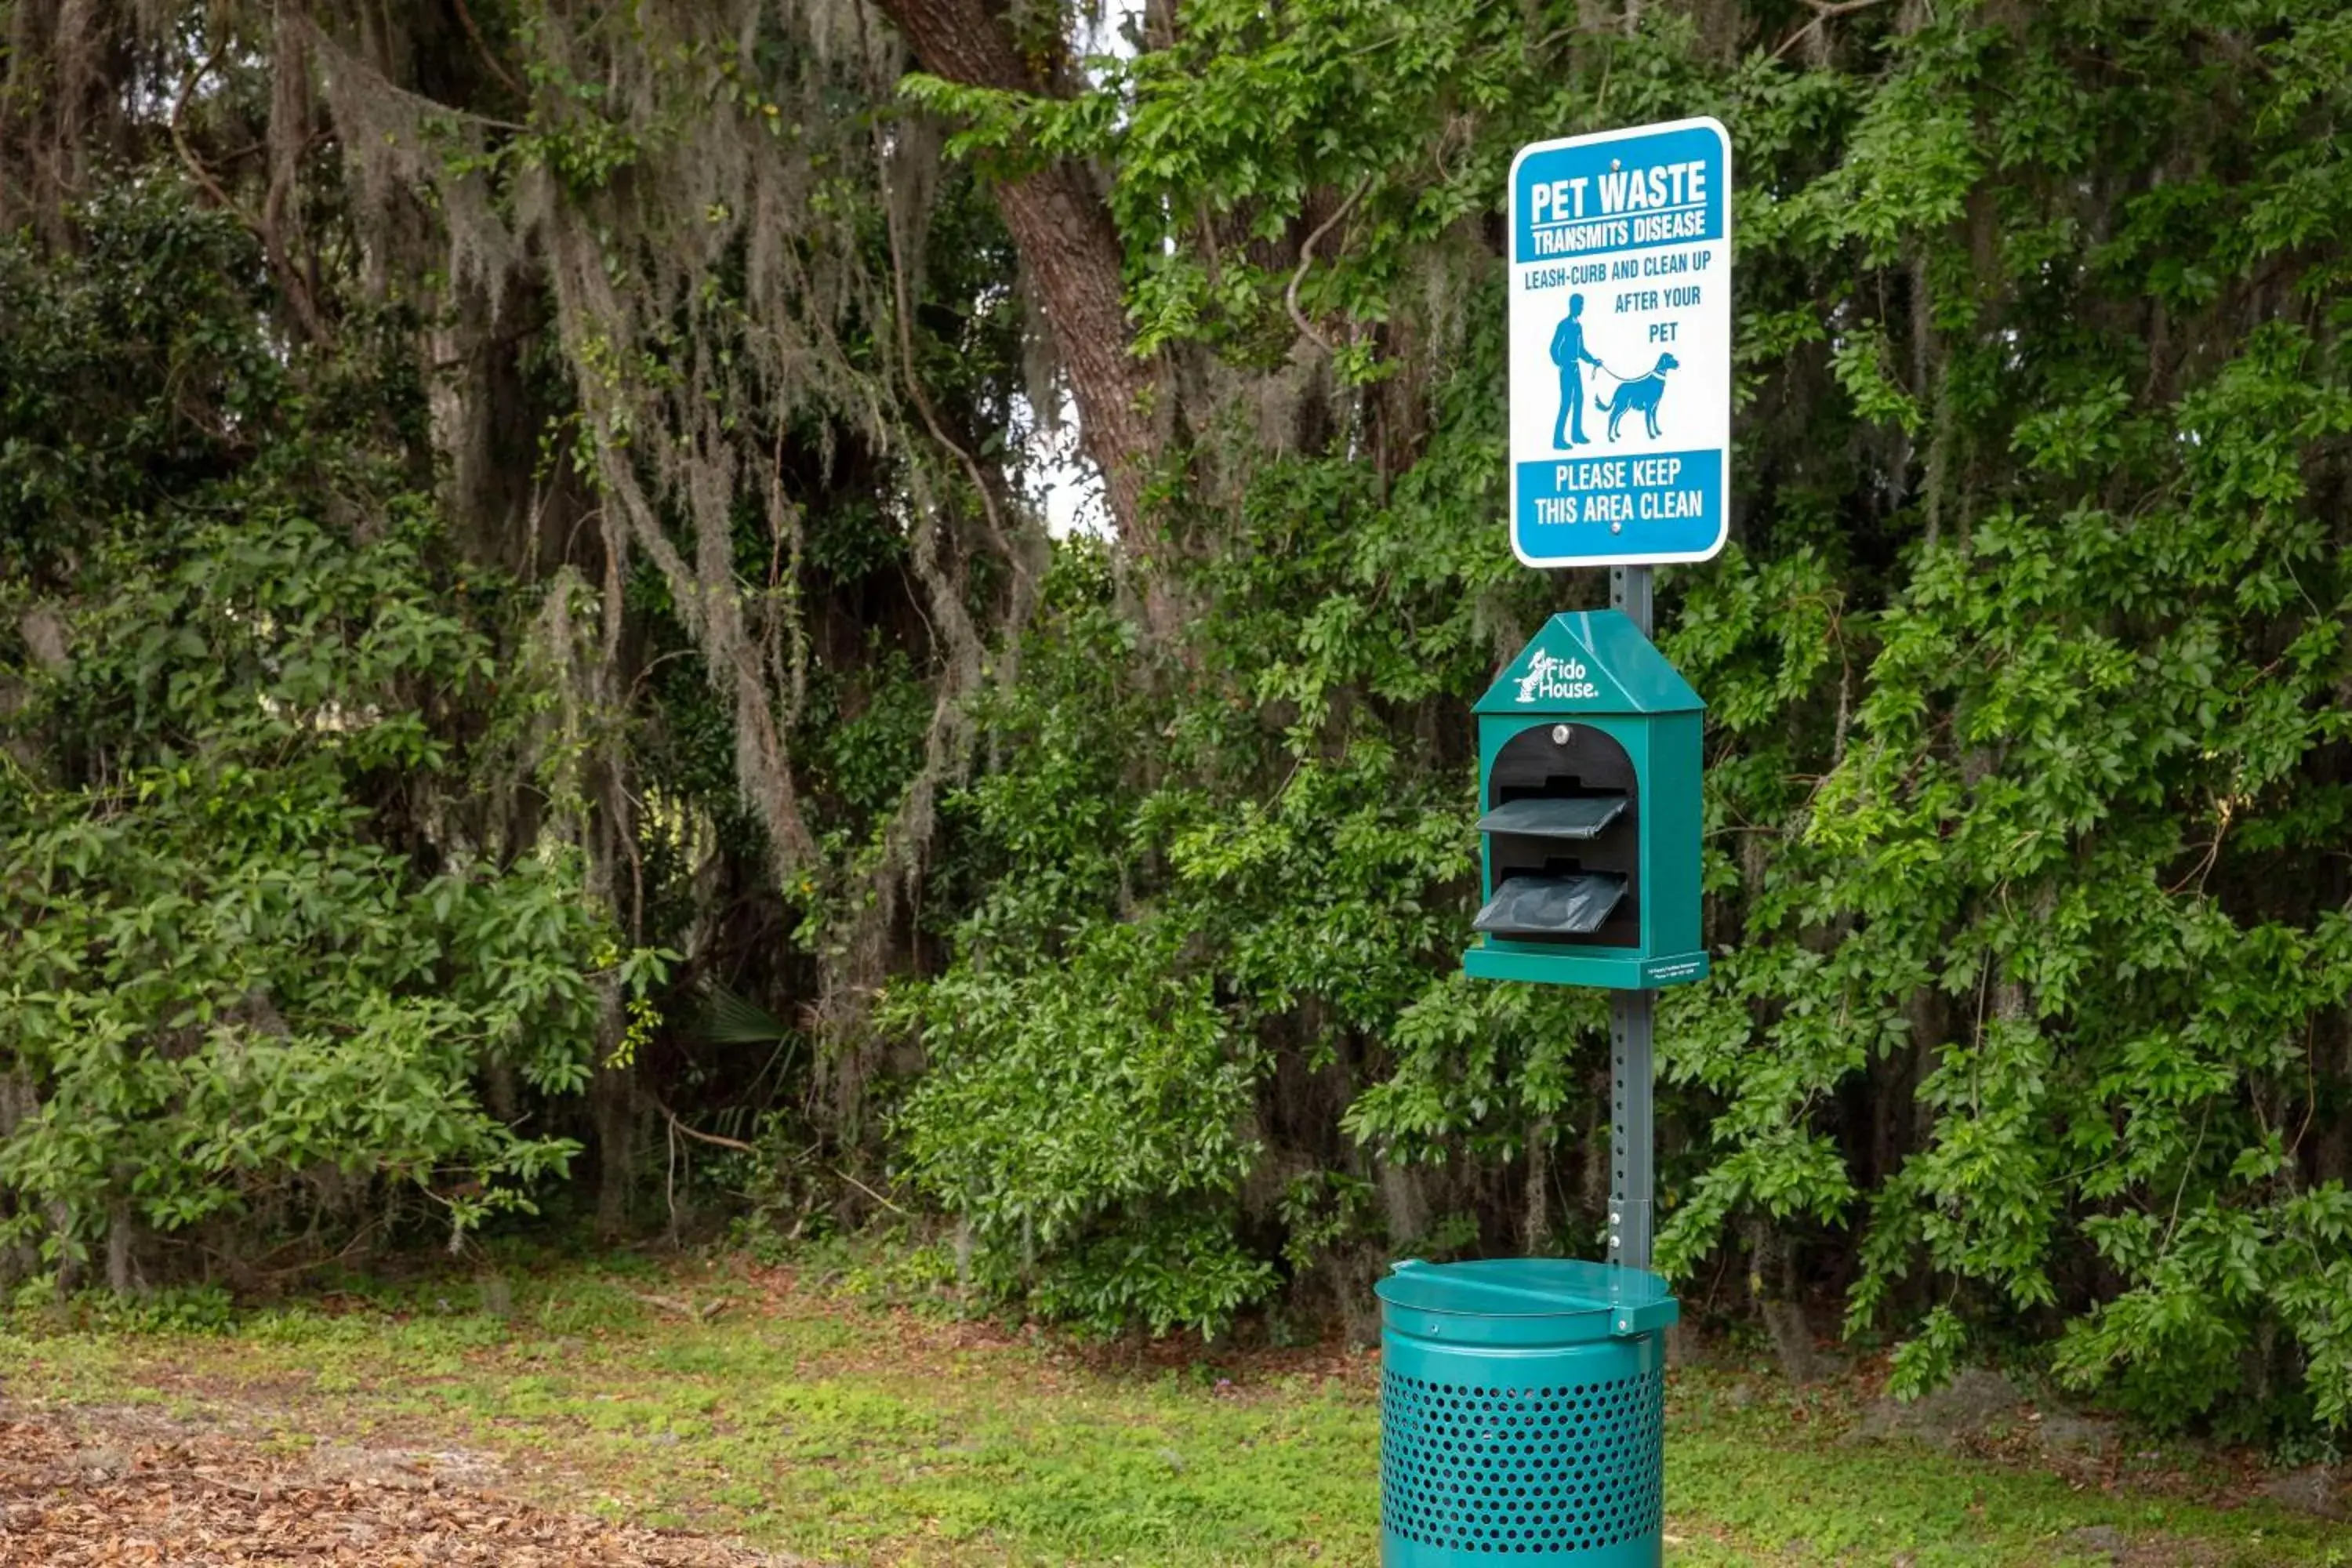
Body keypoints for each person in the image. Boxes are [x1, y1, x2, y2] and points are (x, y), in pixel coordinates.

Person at [1550, 293, 1602, 448]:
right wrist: (1560, 363)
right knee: (1566, 402)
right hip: (1567, 368)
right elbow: (1553, 348)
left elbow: (1581, 350)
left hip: (1575, 368)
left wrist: (1593, 361)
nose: (1581, 308)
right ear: (1572, 306)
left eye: (1582, 305)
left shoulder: (1578, 327)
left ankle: (1576, 434)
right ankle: (1558, 440)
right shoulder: (1563, 325)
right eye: (1580, 305)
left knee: (1579, 399)